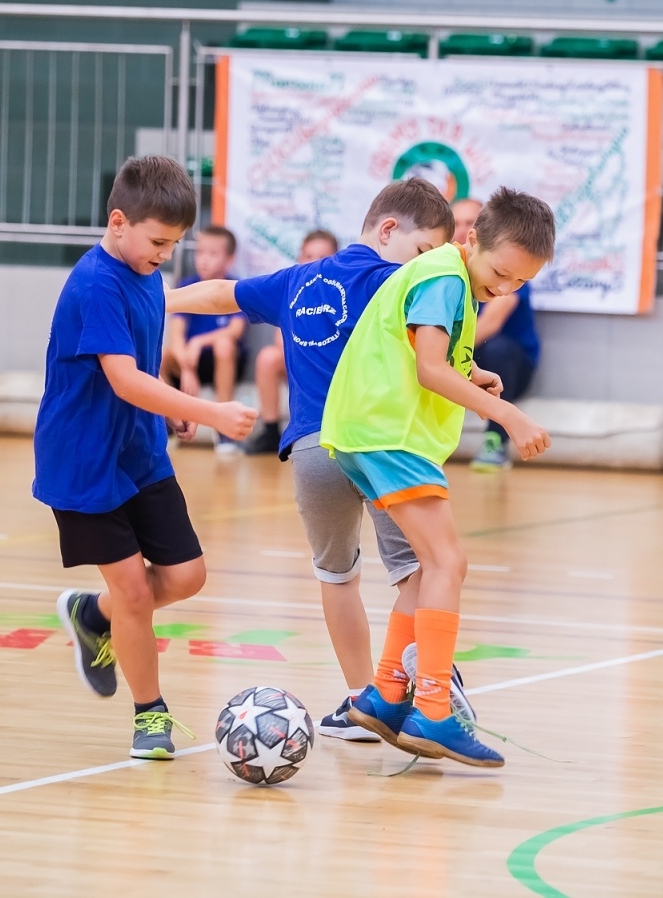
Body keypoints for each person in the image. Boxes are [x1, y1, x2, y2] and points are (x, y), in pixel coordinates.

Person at [166, 180, 455, 740]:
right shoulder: (399, 284)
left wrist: (158, 299)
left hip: (311, 449)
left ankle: (358, 700)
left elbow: (220, 294)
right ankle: (405, 688)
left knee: (336, 574)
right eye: (424, 250)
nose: (425, 265)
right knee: (420, 570)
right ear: (390, 231)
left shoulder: (299, 279)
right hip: (378, 445)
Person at [33, 156, 257, 759]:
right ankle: (150, 715)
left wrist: (168, 409)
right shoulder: (95, 283)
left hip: (138, 449)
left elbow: (142, 360)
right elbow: (125, 380)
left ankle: (92, 615)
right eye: (158, 241)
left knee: (186, 576)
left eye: (174, 244)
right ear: (117, 221)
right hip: (83, 461)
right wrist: (208, 410)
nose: (164, 253)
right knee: (134, 591)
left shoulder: (144, 273)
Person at [326, 186, 555, 768]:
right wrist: (504, 412)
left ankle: (383, 693)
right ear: (470, 237)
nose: (505, 289)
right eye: (502, 273)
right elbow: (428, 369)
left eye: (520, 285)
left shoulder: (458, 280)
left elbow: (429, 354)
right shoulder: (445, 277)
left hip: (374, 433)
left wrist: (473, 373)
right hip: (386, 433)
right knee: (449, 563)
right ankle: (431, 709)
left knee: (432, 567)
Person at [452, 198, 544, 472]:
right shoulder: (448, 272)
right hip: (469, 362)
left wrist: (450, 361)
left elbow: (487, 327)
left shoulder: (506, 273)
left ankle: (495, 441)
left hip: (509, 366)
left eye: (469, 221)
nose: (506, 287)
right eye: (455, 223)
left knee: (496, 347)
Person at [243, 229, 340, 455]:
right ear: (299, 258)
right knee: (268, 358)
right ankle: (270, 430)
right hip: (300, 361)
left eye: (321, 257)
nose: (313, 263)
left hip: (332, 368)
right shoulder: (292, 291)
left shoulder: (339, 293)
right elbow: (281, 340)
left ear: (335, 260)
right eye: (308, 256)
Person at [163, 225, 246, 454]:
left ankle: (225, 432)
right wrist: (185, 367)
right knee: (160, 355)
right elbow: (176, 333)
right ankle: (168, 426)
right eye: (200, 253)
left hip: (223, 360)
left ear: (229, 259)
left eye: (212, 254)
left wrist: (199, 342)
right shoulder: (187, 285)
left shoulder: (235, 288)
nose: (204, 260)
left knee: (224, 346)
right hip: (190, 362)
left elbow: (235, 331)